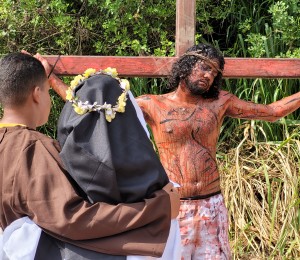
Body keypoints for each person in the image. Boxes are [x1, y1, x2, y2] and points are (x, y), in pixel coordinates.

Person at [36, 43, 300, 259]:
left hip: (211, 204)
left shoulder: (220, 102)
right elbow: (97, 108)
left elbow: (273, 112)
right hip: (174, 206)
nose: (208, 75)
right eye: (204, 67)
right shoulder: (153, 105)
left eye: (214, 72)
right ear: (186, 67)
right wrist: (50, 77)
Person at [0, 52, 180, 260]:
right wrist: (160, 208)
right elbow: (72, 218)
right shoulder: (33, 148)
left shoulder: (11, 143)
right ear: (37, 94)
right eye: (49, 92)